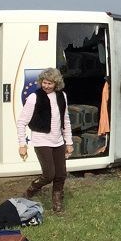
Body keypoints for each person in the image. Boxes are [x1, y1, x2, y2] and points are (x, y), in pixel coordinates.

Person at [16, 67, 75, 214]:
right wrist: (22, 145)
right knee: (49, 174)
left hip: (58, 141)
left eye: (50, 83)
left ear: (56, 83)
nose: (46, 86)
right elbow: (21, 122)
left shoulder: (62, 96)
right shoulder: (34, 98)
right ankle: (31, 190)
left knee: (61, 174)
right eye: (44, 82)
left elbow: (65, 120)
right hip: (42, 140)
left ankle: (57, 204)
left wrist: (69, 142)